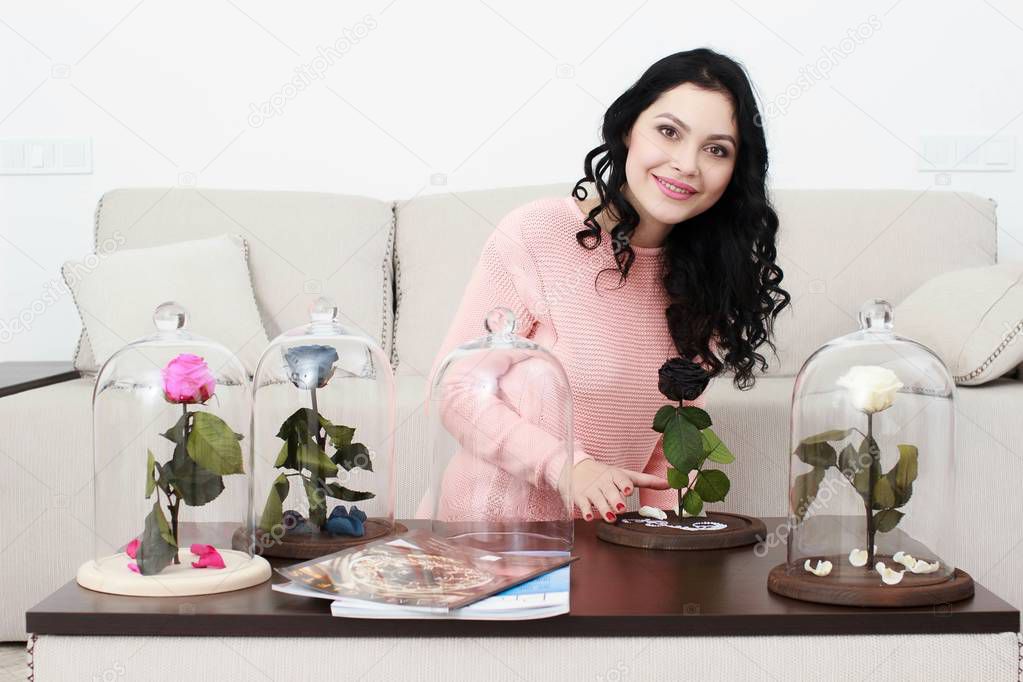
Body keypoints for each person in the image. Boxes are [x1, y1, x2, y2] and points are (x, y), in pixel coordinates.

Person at [428, 48, 791, 526]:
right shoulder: (538, 234)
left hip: (605, 552)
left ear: (734, 172)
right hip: (490, 540)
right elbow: (454, 389)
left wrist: (675, 553)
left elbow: (670, 450)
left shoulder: (706, 282)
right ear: (627, 130)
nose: (686, 164)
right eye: (669, 132)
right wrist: (565, 468)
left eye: (716, 149)